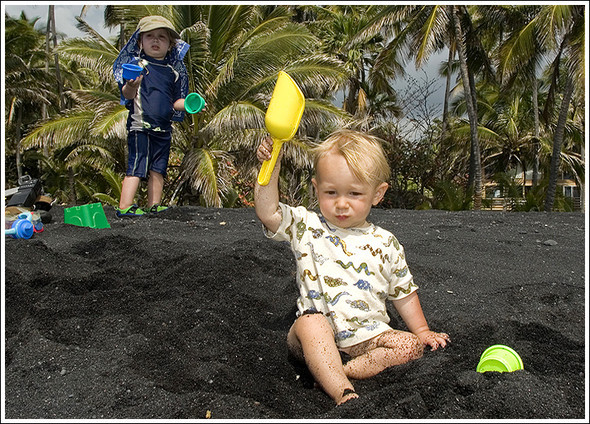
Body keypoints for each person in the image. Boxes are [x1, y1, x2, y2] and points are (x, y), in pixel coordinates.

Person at [254, 129, 450, 406]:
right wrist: (270, 164)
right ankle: (342, 391)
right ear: (316, 188)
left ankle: (339, 371)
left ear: (377, 194)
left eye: (354, 193)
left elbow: (403, 292)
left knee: (410, 346)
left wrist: (422, 331)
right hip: (314, 337)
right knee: (311, 322)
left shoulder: (385, 243)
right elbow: (267, 212)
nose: (341, 203)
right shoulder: (306, 226)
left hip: (367, 338)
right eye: (331, 192)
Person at [112, 15, 193, 217]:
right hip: (140, 126)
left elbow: (176, 102)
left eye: (161, 37)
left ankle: (154, 204)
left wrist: (191, 105)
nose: (155, 40)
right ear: (140, 41)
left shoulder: (173, 71)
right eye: (150, 36)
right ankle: (125, 206)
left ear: (170, 45)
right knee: (137, 165)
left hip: (164, 128)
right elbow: (127, 95)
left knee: (159, 167)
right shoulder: (136, 66)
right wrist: (131, 85)